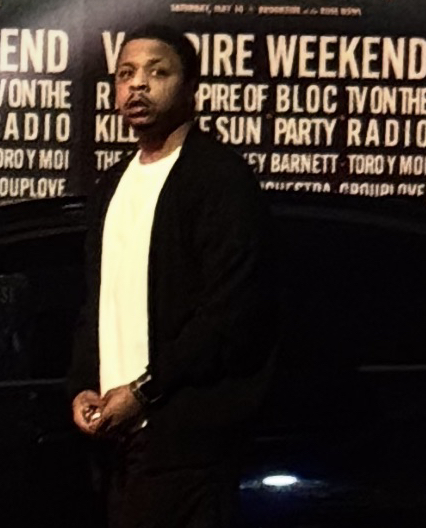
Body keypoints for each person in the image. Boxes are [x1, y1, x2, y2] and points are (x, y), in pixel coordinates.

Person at [68, 25, 277, 528]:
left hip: (186, 444)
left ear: (191, 88)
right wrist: (82, 386)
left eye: (156, 72)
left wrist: (143, 391)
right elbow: (99, 302)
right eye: (125, 74)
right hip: (117, 442)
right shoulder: (112, 184)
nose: (137, 85)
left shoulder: (218, 178)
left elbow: (228, 313)